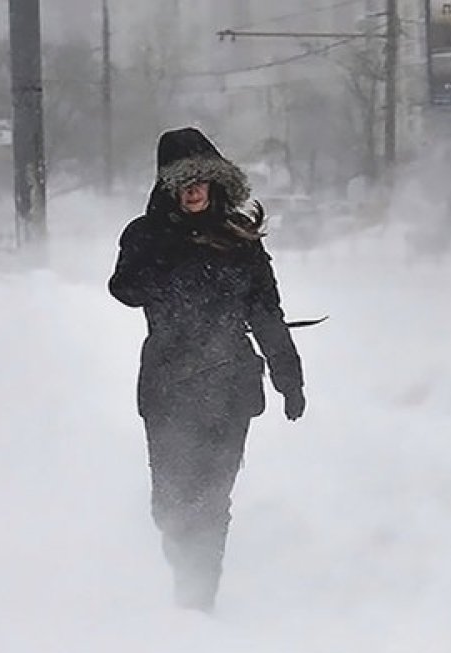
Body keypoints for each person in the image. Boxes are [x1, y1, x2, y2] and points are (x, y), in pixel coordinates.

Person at [109, 127, 306, 612]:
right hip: (168, 385)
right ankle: (185, 574)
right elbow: (124, 289)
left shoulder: (239, 238)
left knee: (211, 501)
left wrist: (289, 376)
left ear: (217, 182)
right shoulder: (145, 235)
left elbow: (266, 311)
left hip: (229, 384)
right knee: (171, 506)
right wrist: (170, 249)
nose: (193, 190)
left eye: (201, 179)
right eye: (182, 182)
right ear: (168, 188)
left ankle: (198, 600)